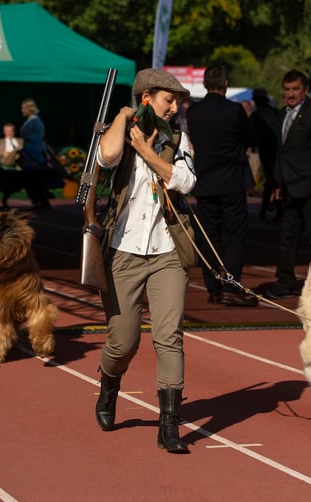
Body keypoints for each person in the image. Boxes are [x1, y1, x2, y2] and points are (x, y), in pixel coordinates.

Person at [93, 68, 196, 453]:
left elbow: (185, 181)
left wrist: (149, 153)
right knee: (123, 341)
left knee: (169, 337)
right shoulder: (123, 126)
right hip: (123, 251)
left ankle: (169, 425)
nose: (174, 108)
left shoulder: (179, 137)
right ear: (148, 96)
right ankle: (108, 385)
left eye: (178, 103)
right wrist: (122, 118)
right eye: (170, 100)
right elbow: (106, 157)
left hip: (167, 252)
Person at [185, 65, 259, 306]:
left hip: (206, 181)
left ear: (205, 84)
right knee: (234, 235)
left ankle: (213, 287)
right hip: (232, 180)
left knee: (208, 236)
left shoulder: (194, 112)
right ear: (225, 83)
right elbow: (250, 138)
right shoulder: (234, 110)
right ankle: (232, 284)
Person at [265, 69, 311, 299]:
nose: (290, 94)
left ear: (305, 90)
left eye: (295, 89)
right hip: (289, 187)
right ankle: (285, 282)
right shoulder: (282, 115)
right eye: (287, 90)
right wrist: (277, 183)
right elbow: (281, 151)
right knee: (287, 236)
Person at [251, 88, 281, 220]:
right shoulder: (276, 112)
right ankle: (276, 209)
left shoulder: (256, 116)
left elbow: (251, 135)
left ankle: (267, 209)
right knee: (277, 180)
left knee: (271, 180)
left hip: (268, 151)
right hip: (280, 151)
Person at [18, 98, 52, 210]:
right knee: (33, 180)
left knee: (36, 180)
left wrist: (33, 155)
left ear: (29, 109)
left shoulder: (35, 122)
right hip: (29, 156)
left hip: (33, 157)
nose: (22, 110)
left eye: (24, 108)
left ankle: (41, 201)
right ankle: (38, 201)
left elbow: (37, 141)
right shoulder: (31, 121)